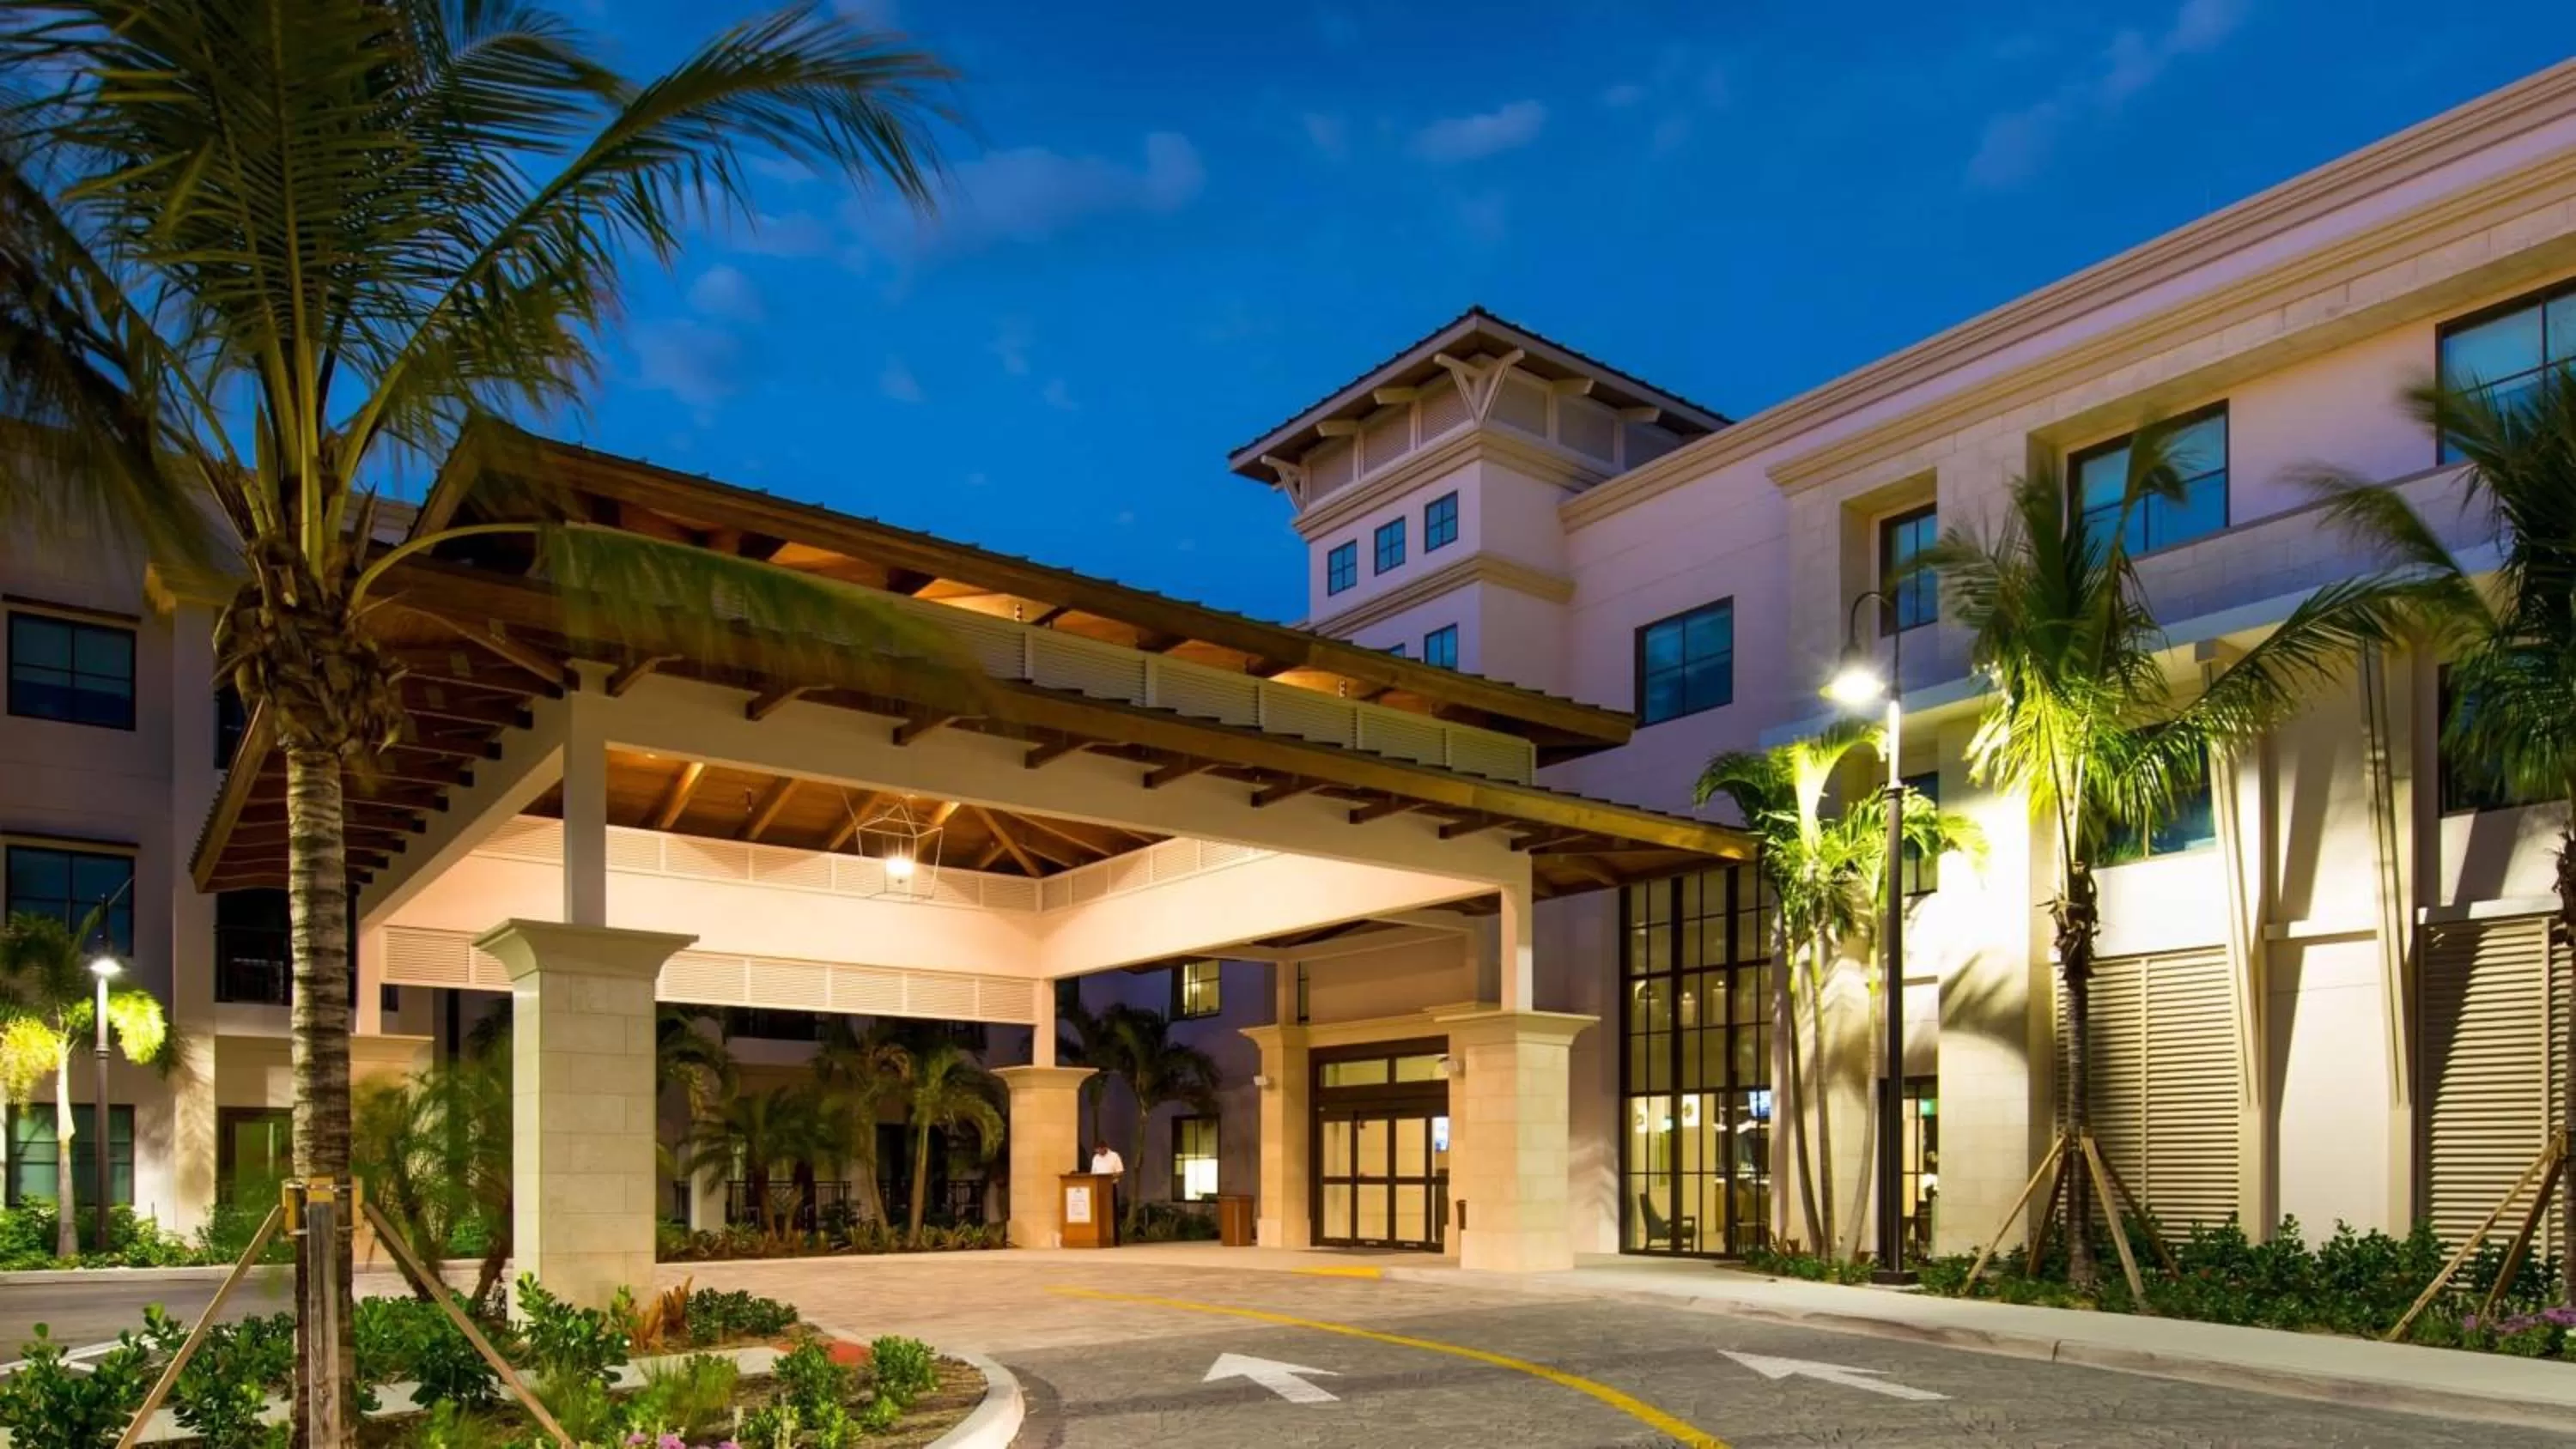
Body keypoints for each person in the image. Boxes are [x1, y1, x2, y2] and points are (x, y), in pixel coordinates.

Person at [1090, 1143, 1125, 1246]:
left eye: (1100, 1150)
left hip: (1110, 1187)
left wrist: (1108, 1178)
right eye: (1096, 1151)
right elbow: (1093, 1173)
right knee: (1098, 1213)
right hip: (1097, 1188)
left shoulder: (1114, 1156)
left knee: (1112, 1213)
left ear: (1105, 1148)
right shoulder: (1095, 1158)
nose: (1098, 1152)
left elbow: (1120, 1172)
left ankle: (1115, 1240)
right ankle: (1100, 1238)